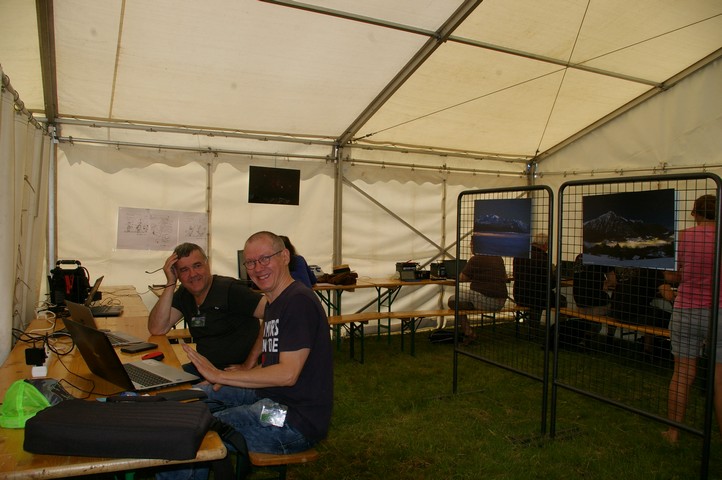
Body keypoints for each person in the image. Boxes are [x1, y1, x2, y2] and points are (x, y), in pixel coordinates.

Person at [157, 231, 333, 480]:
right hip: (268, 398)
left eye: (265, 259)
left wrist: (220, 375)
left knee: (196, 431)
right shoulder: (277, 301)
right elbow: (273, 356)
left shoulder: (298, 302)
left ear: (284, 257)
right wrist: (243, 371)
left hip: (291, 419)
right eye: (250, 262)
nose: (257, 268)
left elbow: (287, 374)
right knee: (191, 401)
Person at [148, 243, 266, 376]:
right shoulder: (184, 294)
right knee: (157, 378)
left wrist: (249, 364)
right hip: (202, 369)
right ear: (177, 274)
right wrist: (170, 283)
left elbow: (275, 313)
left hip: (233, 374)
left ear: (207, 264)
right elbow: (157, 328)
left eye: (197, 266)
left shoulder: (231, 290)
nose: (193, 274)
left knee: (178, 388)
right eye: (184, 270)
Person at [662, 194, 721, 444]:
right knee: (719, 378)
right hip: (719, 312)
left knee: (683, 372)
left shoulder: (683, 237)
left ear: (695, 213)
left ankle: (673, 432)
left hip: (686, 309)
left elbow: (670, 276)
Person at [447, 249, 508, 344]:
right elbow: (505, 277)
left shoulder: (476, 259)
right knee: (461, 301)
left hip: (486, 300)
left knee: (453, 300)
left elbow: (462, 278)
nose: (470, 247)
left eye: (471, 244)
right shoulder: (498, 258)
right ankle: (468, 327)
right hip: (501, 302)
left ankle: (468, 332)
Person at [513, 233, 566, 325]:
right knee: (562, 300)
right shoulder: (543, 259)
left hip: (520, 296)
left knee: (538, 295)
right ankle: (560, 326)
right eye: (548, 245)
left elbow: (515, 275)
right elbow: (550, 283)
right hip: (538, 298)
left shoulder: (520, 255)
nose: (548, 248)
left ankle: (532, 323)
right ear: (544, 244)